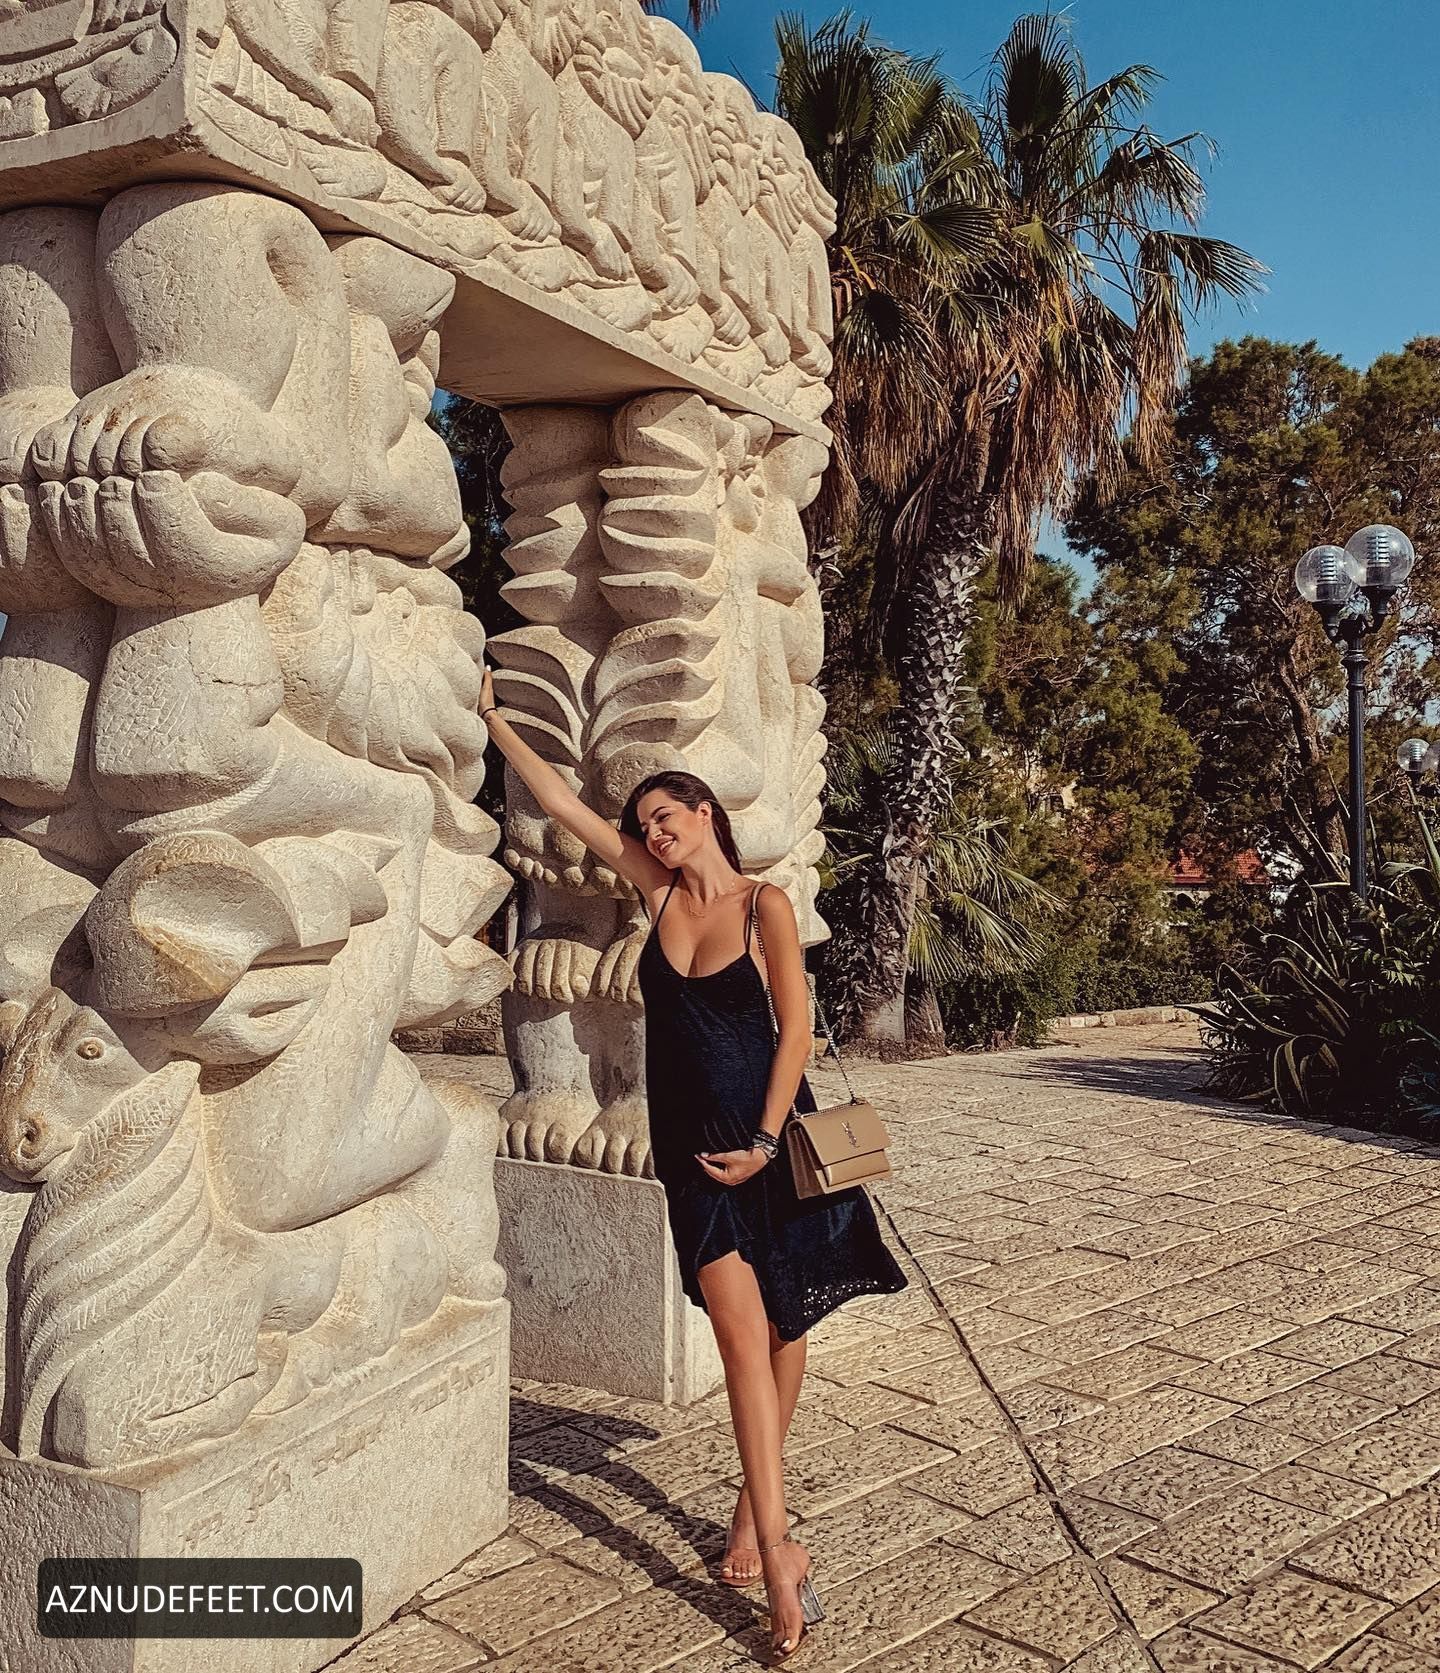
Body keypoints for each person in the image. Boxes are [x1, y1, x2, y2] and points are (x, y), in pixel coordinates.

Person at [479, 667, 909, 1663]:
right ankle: (783, 1543)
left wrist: (763, 1140)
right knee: (740, 1336)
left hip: (769, 1139)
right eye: (646, 826)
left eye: (667, 817)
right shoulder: (655, 890)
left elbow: (796, 1032)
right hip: (690, 1151)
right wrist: (496, 720)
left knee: (785, 1322)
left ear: (705, 812)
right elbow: (561, 805)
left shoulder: (765, 906)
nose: (656, 834)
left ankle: (754, 1510)